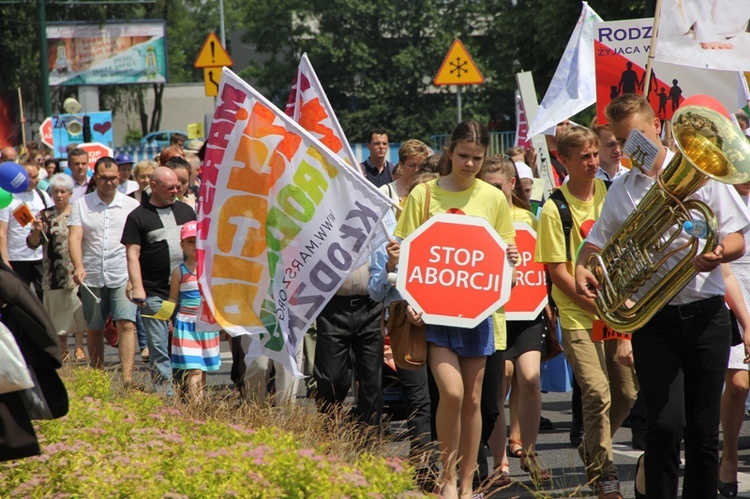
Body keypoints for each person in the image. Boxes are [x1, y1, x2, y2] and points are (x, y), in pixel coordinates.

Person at [575, 93, 750, 499]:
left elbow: (738, 237)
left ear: (658, 127)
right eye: (619, 141)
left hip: (707, 315)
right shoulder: (621, 188)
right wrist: (585, 263)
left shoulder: (704, 173)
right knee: (665, 426)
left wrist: (720, 252)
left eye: (635, 136)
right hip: (656, 321)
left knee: (704, 431)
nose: (627, 148)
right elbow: (596, 244)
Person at [394, 121, 518, 499]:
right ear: (449, 152)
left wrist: (510, 260)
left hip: (477, 314)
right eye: (463, 155)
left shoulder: (494, 199)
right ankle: (446, 476)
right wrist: (408, 292)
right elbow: (404, 252)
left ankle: (467, 483)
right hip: (432, 317)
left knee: (475, 398)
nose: (469, 164)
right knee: (451, 393)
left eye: (477, 158)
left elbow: (506, 261)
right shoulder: (424, 195)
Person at [536, 125, 637, 498]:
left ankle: (594, 447)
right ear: (564, 161)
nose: (595, 162)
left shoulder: (612, 193)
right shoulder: (553, 208)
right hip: (579, 315)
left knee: (626, 394)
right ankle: (604, 473)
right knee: (596, 392)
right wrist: (596, 304)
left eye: (596, 154)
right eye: (585, 157)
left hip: (615, 312)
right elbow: (559, 272)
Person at [368, 171, 439, 491]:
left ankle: (463, 464)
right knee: (419, 397)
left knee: (449, 397)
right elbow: (374, 291)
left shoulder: (450, 231)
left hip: (449, 323)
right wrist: (390, 268)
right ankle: (424, 463)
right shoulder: (390, 236)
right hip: (407, 324)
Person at [480, 156, 548, 484]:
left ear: (510, 185)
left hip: (528, 311)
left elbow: (541, 262)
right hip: (492, 312)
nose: (491, 191)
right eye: (486, 185)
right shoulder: (478, 218)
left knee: (531, 378)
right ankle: (499, 463)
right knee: (497, 387)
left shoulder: (529, 219)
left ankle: (531, 455)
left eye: (496, 185)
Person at [122, 167, 196, 396]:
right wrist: (138, 287)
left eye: (178, 186)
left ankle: (187, 394)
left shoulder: (186, 212)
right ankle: (166, 398)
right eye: (170, 187)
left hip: (185, 293)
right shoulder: (138, 217)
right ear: (153, 186)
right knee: (158, 347)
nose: (176, 190)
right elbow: (132, 254)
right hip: (155, 294)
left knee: (186, 346)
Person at [68, 156, 139, 382]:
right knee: (95, 327)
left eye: (113, 178)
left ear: (119, 177)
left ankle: (128, 378)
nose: (109, 183)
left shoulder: (131, 205)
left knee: (126, 323)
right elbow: (75, 237)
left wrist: (136, 278)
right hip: (93, 275)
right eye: (104, 179)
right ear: (95, 178)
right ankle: (98, 376)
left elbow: (138, 244)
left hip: (122, 273)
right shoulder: (81, 204)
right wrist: (78, 266)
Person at [26, 173, 86, 363]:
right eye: (56, 192)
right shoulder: (44, 215)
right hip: (53, 272)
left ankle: (79, 346)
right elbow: (32, 243)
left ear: (70, 193)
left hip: (76, 269)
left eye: (63, 192)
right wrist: (36, 229)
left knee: (78, 311)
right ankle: (63, 347)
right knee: (58, 314)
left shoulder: (78, 212)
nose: (59, 195)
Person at [166, 221, 220, 404]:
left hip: (206, 325)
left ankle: (199, 405)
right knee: (194, 369)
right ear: (182, 245)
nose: (195, 246)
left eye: (198, 241)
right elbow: (173, 299)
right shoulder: (178, 272)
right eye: (190, 242)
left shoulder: (211, 270)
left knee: (202, 368)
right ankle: (197, 408)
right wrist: (165, 316)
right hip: (186, 325)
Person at [0, 161, 52, 301]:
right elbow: (2, 233)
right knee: (21, 300)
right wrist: (5, 261)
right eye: (33, 177)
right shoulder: (9, 199)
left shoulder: (42, 196)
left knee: (45, 297)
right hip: (17, 258)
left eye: (37, 175)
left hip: (40, 258)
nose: (38, 180)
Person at [380, 139, 430, 207]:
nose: (416, 170)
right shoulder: (385, 192)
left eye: (421, 166)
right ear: (401, 165)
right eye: (411, 166)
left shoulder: (430, 191)